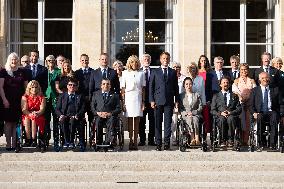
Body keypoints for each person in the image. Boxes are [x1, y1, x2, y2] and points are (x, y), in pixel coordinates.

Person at [149, 52, 179, 151]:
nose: (165, 60)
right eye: (164, 58)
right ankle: (158, 143)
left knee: (167, 123)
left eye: (167, 58)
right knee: (157, 123)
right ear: (160, 60)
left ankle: (166, 143)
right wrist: (151, 100)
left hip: (169, 101)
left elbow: (176, 88)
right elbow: (151, 87)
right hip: (157, 101)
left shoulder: (172, 72)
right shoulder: (155, 71)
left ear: (169, 60)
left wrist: (177, 100)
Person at [0, 52, 28, 151]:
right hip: (7, 100)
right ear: (9, 60)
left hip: (19, 101)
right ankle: (8, 144)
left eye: (15, 59)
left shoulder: (22, 71)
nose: (14, 61)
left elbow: (26, 88)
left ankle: (15, 144)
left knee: (16, 123)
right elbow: (1, 88)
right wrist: (4, 100)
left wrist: (25, 100)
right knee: (8, 123)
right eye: (12, 59)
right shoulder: (4, 71)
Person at [121, 55, 145, 150]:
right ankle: (130, 140)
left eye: (136, 62)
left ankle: (135, 141)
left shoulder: (141, 73)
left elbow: (143, 88)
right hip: (129, 97)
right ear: (129, 63)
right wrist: (123, 102)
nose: (134, 64)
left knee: (137, 121)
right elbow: (123, 88)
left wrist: (143, 101)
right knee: (130, 121)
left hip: (138, 97)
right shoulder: (125, 73)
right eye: (132, 62)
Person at [250, 72, 279, 150]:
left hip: (271, 111)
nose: (265, 79)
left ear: (269, 79)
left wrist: (282, 115)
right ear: (259, 80)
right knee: (259, 117)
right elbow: (251, 105)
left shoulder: (275, 89)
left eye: (266, 78)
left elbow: (281, 104)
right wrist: (253, 113)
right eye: (263, 78)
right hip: (260, 112)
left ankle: (272, 143)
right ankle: (260, 143)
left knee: (275, 116)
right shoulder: (254, 90)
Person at [56, 77, 86, 151]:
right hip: (65, 115)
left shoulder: (80, 96)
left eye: (74, 85)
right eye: (70, 85)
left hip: (76, 116)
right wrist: (60, 115)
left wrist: (77, 115)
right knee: (63, 121)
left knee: (73, 121)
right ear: (67, 86)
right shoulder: (62, 96)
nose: (72, 86)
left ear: (76, 87)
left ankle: (71, 141)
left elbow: (83, 108)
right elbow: (57, 108)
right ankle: (66, 142)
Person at [211, 77, 242, 147]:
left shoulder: (234, 95)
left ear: (229, 84)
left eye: (227, 83)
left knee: (230, 118)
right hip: (220, 116)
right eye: (224, 83)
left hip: (231, 115)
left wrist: (231, 112)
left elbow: (239, 109)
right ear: (220, 85)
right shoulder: (216, 96)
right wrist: (220, 113)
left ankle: (230, 139)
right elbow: (212, 110)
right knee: (222, 119)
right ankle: (222, 140)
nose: (226, 84)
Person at [91, 79, 121, 146]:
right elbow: (92, 107)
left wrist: (110, 113)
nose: (106, 85)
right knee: (97, 122)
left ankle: (108, 141)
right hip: (99, 115)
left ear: (110, 86)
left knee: (112, 121)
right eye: (104, 84)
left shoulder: (115, 95)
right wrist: (98, 113)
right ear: (101, 85)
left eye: (108, 84)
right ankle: (98, 141)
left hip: (110, 116)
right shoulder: (96, 94)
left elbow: (118, 108)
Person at [232, 63, 256, 145]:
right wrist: (240, 96)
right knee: (241, 120)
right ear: (239, 70)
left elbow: (255, 92)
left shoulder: (252, 81)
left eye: (245, 69)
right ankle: (240, 139)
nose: (243, 71)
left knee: (248, 121)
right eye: (242, 69)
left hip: (249, 104)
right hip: (240, 104)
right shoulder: (236, 81)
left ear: (248, 70)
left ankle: (246, 140)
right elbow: (234, 92)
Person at [21, 80, 46, 149]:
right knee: (27, 119)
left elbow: (42, 109)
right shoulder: (25, 97)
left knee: (34, 118)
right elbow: (24, 110)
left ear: (38, 88)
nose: (34, 89)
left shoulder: (42, 97)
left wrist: (36, 113)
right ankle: (28, 140)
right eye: (32, 87)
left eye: (36, 87)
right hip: (27, 114)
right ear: (29, 88)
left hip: (38, 115)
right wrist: (30, 114)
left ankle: (34, 140)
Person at [44, 55, 61, 151]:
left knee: (55, 121)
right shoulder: (44, 71)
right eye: (49, 60)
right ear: (46, 61)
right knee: (46, 120)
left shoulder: (58, 71)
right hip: (46, 98)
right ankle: (46, 140)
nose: (51, 62)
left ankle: (56, 141)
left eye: (52, 60)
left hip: (55, 98)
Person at [179, 77, 203, 145]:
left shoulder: (196, 95)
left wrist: (193, 112)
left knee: (195, 119)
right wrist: (186, 113)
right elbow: (180, 108)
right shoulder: (181, 96)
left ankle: (197, 138)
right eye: (186, 84)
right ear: (184, 85)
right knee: (189, 119)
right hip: (186, 115)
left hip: (195, 114)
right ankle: (192, 138)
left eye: (190, 84)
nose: (188, 86)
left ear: (192, 85)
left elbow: (200, 107)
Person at [138, 54, 155, 146]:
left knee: (152, 121)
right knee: (142, 121)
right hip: (141, 101)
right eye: (145, 59)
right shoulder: (138, 71)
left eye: (148, 59)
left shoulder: (154, 71)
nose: (146, 60)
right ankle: (142, 140)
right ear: (141, 61)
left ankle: (151, 140)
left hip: (152, 100)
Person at [75, 54, 94, 128]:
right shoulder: (76, 73)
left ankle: (92, 137)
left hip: (90, 98)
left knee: (91, 119)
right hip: (80, 99)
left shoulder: (93, 72)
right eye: (82, 60)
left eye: (86, 60)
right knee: (80, 119)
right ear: (80, 61)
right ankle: (81, 138)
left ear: (88, 61)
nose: (84, 62)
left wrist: (90, 96)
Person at [170, 61, 186, 146]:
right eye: (174, 67)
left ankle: (183, 138)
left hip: (182, 102)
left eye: (178, 67)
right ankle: (173, 139)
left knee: (182, 120)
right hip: (173, 102)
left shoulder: (184, 78)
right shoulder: (170, 77)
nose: (176, 69)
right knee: (174, 121)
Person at [198, 55, 212, 134]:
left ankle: (206, 132)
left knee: (206, 115)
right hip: (197, 97)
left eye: (205, 60)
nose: (203, 62)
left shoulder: (209, 73)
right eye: (202, 60)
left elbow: (209, 87)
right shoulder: (197, 72)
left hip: (206, 96)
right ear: (199, 62)